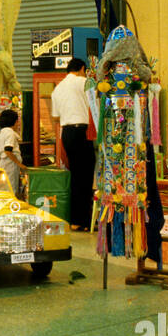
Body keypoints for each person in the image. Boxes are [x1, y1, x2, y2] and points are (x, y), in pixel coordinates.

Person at [49, 58, 94, 230]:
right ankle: (83, 220)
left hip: (67, 133)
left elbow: (55, 117)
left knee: (75, 175)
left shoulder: (58, 88)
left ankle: (75, 220)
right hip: (82, 132)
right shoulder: (84, 82)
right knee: (86, 176)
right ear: (82, 69)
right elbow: (96, 105)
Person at [0, 108, 24, 197]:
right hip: (11, 164)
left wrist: (2, 163)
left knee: (4, 188)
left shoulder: (0, 135)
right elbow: (8, 151)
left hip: (3, 163)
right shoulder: (11, 134)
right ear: (15, 122)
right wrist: (19, 164)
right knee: (12, 188)